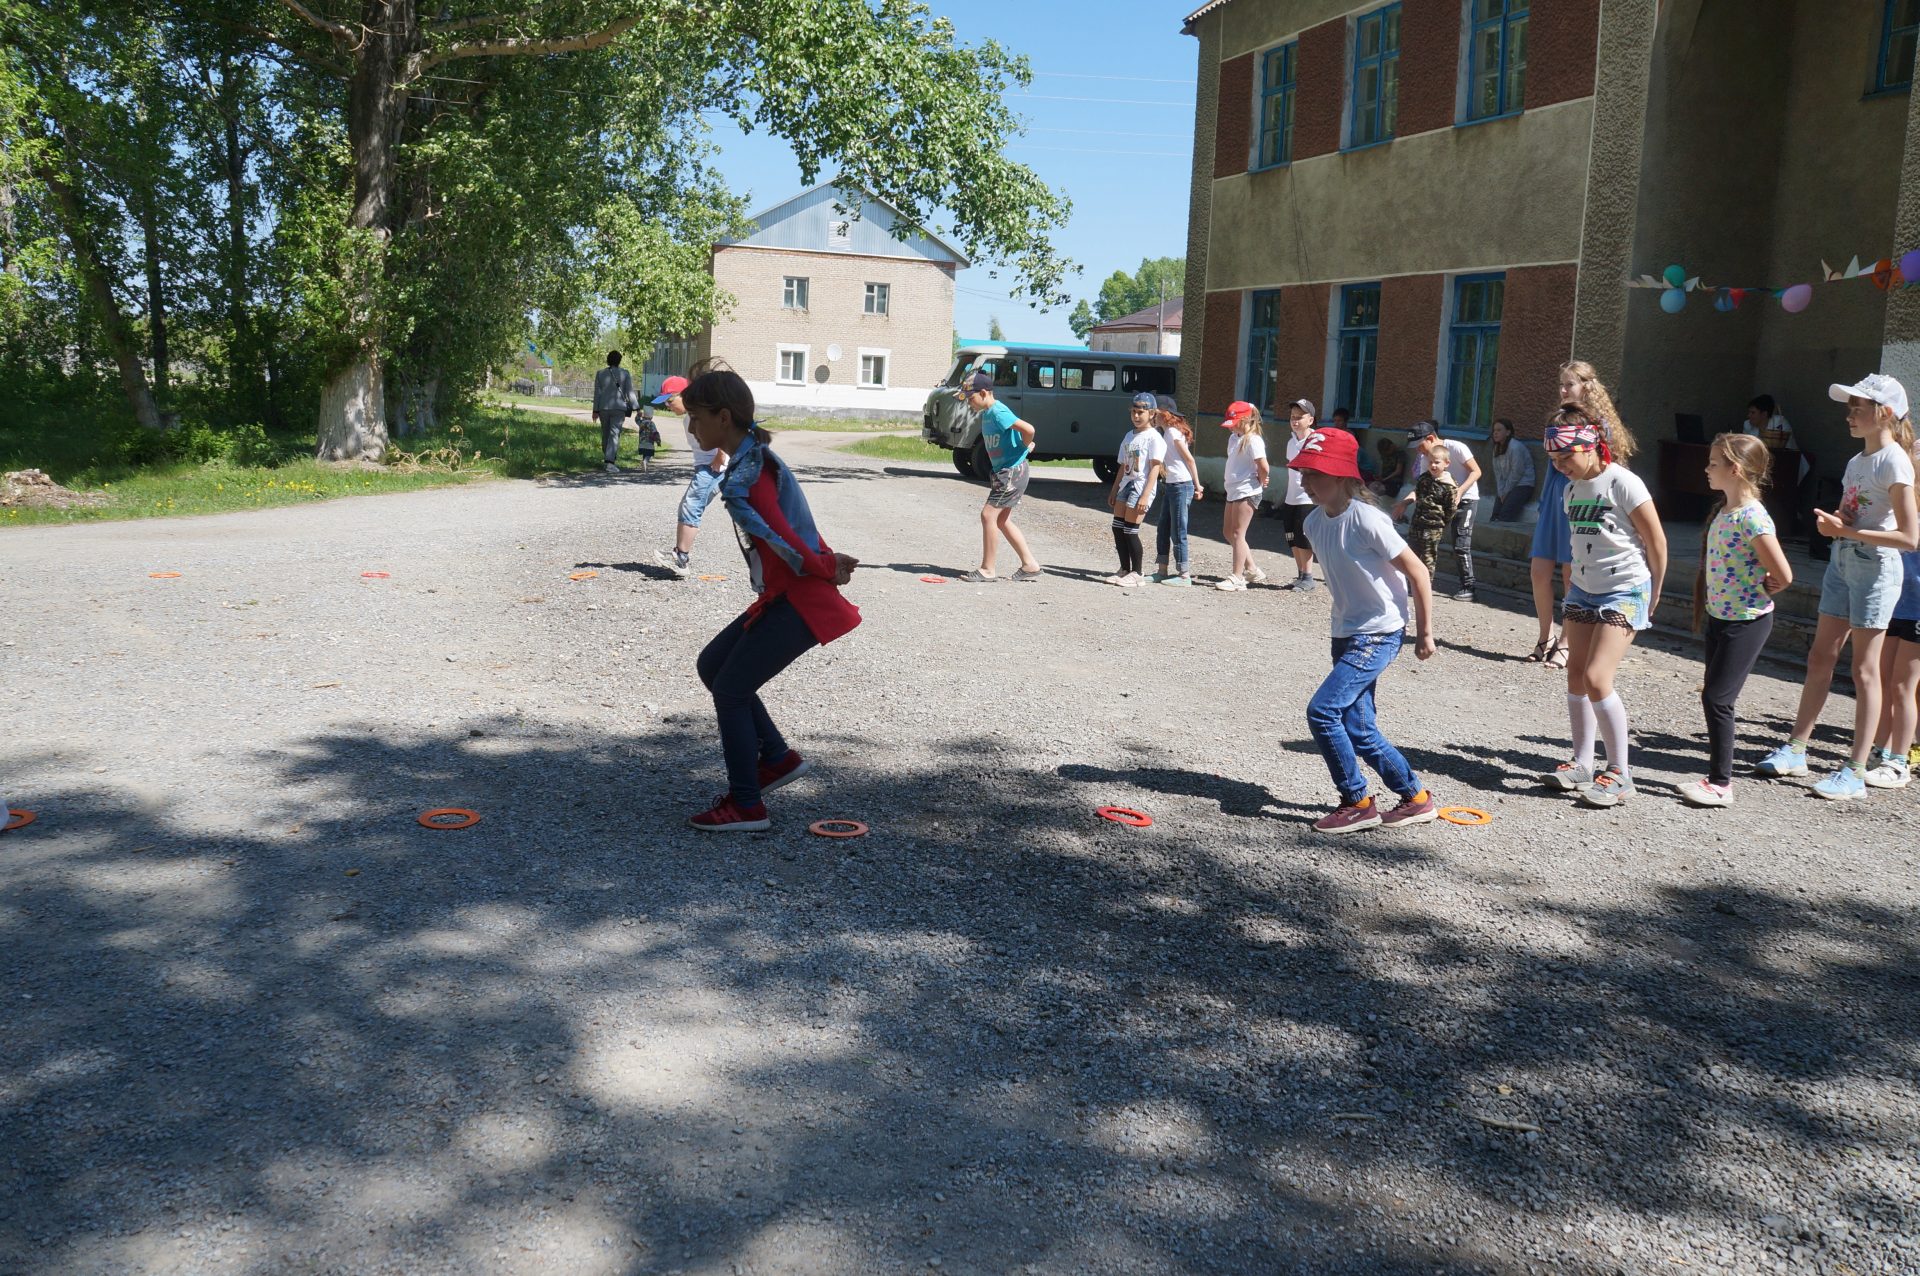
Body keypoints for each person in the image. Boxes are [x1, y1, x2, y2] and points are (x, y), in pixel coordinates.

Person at [683, 362, 860, 832]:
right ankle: (777, 758)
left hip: (801, 601)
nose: (691, 428)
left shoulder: (750, 474)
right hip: (787, 594)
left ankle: (747, 805)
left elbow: (786, 539)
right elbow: (794, 529)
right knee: (713, 666)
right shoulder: (754, 460)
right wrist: (827, 560)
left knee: (730, 689)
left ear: (723, 417)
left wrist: (826, 565)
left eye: (696, 418)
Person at [1756, 374, 1918, 799]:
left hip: (1875, 571)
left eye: (1857, 408)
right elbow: (1855, 516)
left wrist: (1846, 532)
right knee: (1820, 656)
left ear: (1884, 412)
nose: (1849, 415)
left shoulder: (1895, 461)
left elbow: (1908, 537)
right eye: (1849, 407)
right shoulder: (1856, 460)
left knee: (1865, 670)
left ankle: (1856, 770)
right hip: (1843, 564)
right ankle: (1796, 748)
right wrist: (1838, 524)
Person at [1287, 426, 1440, 834]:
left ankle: (1356, 801)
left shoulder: (1368, 519)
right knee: (1359, 727)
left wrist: (1424, 633)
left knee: (1323, 711)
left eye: (1314, 474)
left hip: (1379, 633)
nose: (1305, 481)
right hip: (1346, 632)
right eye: (1302, 473)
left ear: (1341, 476)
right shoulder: (1313, 523)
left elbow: (1418, 572)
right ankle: (1415, 799)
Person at [1540, 405, 1668, 808]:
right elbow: (1579, 543)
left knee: (1597, 678)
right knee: (1576, 675)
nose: (1560, 466)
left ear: (1591, 446)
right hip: (1582, 590)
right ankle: (1582, 763)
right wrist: (1571, 585)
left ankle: (1620, 773)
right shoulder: (1569, 490)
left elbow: (1656, 541)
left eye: (1566, 456)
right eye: (1554, 459)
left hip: (1625, 590)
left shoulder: (1623, 482)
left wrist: (1655, 590)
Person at [1682, 434, 1792, 807]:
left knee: (1718, 698)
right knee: (1715, 696)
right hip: (1720, 617)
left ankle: (1721, 784)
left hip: (1746, 621)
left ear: (1736, 469)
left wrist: (1767, 584)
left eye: (1714, 463)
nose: (1706, 469)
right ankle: (1716, 778)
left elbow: (1784, 574)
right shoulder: (1725, 510)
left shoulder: (1752, 517)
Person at [1527, 361, 1640, 667]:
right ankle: (1545, 636)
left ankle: (1567, 641)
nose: (1563, 390)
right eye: (1561, 384)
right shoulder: (1559, 418)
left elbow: (1606, 466)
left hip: (1582, 500)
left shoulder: (1599, 423)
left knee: (1571, 573)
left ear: (1586, 386)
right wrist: (1544, 502)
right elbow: (1552, 464)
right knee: (1539, 570)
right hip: (1554, 499)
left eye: (1570, 384)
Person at [958, 370, 1043, 584]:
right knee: (1001, 520)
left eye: (970, 398)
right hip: (1003, 472)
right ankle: (1030, 565)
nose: (969, 402)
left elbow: (1029, 429)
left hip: (1011, 472)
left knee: (988, 515)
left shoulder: (998, 411)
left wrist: (1024, 447)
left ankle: (988, 569)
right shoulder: (987, 413)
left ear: (983, 393)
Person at [1392, 420, 1481, 601]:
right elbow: (1422, 487)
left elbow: (1476, 471)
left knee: (1461, 544)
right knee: (1423, 544)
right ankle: (1417, 581)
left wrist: (1459, 492)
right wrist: (1405, 503)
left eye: (1420, 445)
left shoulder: (1456, 447)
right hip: (1439, 504)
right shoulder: (1425, 459)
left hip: (1466, 499)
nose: (1418, 451)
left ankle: (1468, 587)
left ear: (1431, 438)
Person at [652, 375, 727, 579]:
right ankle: (680, 552)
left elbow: (723, 429)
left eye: (670, 400)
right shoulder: (691, 415)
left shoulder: (702, 412)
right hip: (706, 466)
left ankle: (682, 558)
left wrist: (721, 454)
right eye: (665, 402)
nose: (667, 406)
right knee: (688, 505)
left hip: (714, 467)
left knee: (691, 505)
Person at [1864, 536, 1920, 788]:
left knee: (1903, 687)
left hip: (1917, 610)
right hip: (1893, 600)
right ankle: (1881, 752)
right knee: (1884, 681)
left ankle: (1899, 762)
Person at [1105, 392, 1165, 587]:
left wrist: (1145, 495)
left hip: (1140, 487)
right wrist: (1114, 490)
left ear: (1152, 413)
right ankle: (1124, 569)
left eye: (1140, 412)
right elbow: (1123, 465)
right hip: (1126, 485)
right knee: (1118, 528)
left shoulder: (1154, 438)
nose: (1136, 416)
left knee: (1130, 530)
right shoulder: (1129, 436)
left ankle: (1137, 573)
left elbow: (1155, 468)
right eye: (1133, 412)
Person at [1215, 400, 1270, 591]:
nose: (1231, 428)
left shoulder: (1254, 440)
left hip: (1247, 490)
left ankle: (1237, 577)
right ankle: (1252, 569)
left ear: (1246, 419)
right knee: (1228, 532)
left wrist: (1262, 479)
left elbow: (1263, 466)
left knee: (1238, 533)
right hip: (1233, 490)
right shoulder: (1234, 438)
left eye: (1234, 423)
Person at [1151, 395, 1203, 586]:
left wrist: (1197, 485)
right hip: (1171, 484)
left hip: (1181, 485)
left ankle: (1184, 575)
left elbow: (1189, 459)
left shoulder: (1172, 433)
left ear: (1165, 414)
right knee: (1163, 526)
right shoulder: (1166, 433)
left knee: (1178, 529)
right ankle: (1162, 570)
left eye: (1155, 413)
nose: (1152, 416)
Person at [1280, 399, 1320, 591]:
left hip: (1308, 498)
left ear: (1310, 420)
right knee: (1292, 538)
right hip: (1291, 497)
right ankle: (1301, 574)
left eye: (1299, 417)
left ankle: (1309, 577)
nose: (1295, 421)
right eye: (1292, 417)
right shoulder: (1291, 442)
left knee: (1304, 538)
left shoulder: (1316, 441)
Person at [1407, 442, 1461, 576]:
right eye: (1430, 462)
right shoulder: (1423, 478)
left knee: (1428, 559)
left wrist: (1440, 522)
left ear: (1446, 463)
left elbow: (1450, 509)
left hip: (1433, 528)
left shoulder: (1449, 486)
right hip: (1417, 524)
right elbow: (1418, 495)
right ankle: (1409, 582)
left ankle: (1426, 584)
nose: (1433, 465)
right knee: (1411, 556)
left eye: (1437, 462)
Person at [592, 350, 638, 474]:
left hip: (603, 408)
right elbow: (629, 392)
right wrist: (637, 408)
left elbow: (597, 393)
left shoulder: (600, 374)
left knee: (606, 434)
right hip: (619, 408)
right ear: (619, 361)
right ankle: (610, 462)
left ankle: (608, 459)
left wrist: (595, 410)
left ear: (608, 360)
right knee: (614, 434)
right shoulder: (625, 373)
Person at [1489, 418, 1537, 523]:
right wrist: (1501, 492)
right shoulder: (1496, 448)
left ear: (1508, 432)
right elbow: (1498, 473)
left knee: (1505, 514)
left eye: (1499, 430)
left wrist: (1506, 492)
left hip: (1523, 485)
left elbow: (1517, 472)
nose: (1495, 433)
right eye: (1494, 430)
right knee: (1495, 515)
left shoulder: (1515, 447)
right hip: (1508, 485)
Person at [1368, 437, 1407, 502]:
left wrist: (1384, 479)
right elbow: (1384, 469)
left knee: (1377, 490)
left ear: (1392, 446)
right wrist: (1380, 477)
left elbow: (1398, 471)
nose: (1387, 454)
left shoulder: (1400, 454)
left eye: (1387, 451)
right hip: (1385, 480)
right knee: (1369, 486)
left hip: (1394, 483)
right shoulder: (1385, 455)